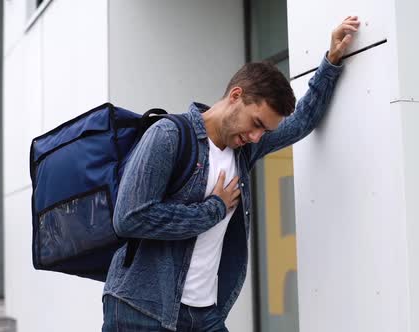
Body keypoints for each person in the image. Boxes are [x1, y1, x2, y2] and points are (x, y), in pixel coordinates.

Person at [102, 16, 361, 332]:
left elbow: (303, 121)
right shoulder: (169, 135)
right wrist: (212, 210)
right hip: (141, 310)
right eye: (256, 124)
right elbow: (129, 217)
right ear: (236, 96)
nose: (257, 137)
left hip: (204, 314)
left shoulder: (244, 151)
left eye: (264, 131)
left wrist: (331, 61)